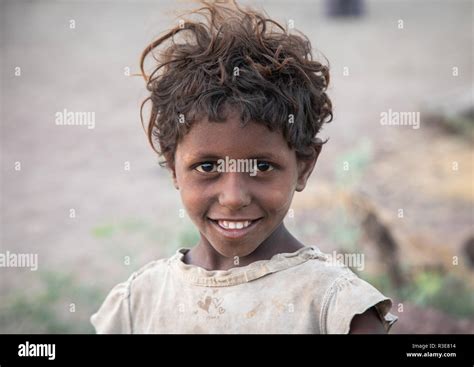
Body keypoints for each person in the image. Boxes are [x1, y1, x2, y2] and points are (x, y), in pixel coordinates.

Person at [91, 0, 397, 334]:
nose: (233, 197)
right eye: (207, 166)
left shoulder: (335, 310)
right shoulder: (138, 304)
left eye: (262, 166)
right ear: (172, 166)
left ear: (304, 166)